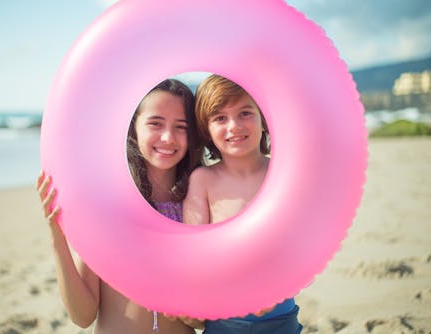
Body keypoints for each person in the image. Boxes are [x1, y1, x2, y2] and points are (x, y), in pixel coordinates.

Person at [38, 79, 202, 333]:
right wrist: (57, 238)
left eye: (181, 127)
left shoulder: (198, 204)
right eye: (155, 123)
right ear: (133, 127)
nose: (168, 137)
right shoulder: (108, 205)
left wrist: (192, 315)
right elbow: (83, 316)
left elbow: (204, 315)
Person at [183, 74, 302, 334]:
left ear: (263, 118)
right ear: (206, 128)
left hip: (280, 315)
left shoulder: (283, 173)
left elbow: (304, 242)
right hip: (225, 320)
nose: (234, 126)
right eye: (220, 118)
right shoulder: (204, 180)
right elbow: (193, 252)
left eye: (245, 113)